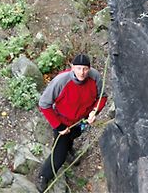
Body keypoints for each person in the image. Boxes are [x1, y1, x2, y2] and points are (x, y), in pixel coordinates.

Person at [36, 53, 108, 192]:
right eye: (79, 68)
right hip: (62, 121)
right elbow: (44, 104)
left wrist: (95, 111)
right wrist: (59, 126)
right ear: (72, 67)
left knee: (73, 136)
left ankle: (69, 150)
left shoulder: (95, 77)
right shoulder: (61, 81)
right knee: (58, 155)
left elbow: (102, 97)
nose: (82, 72)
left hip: (81, 120)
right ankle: (43, 176)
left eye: (85, 69)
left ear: (89, 68)